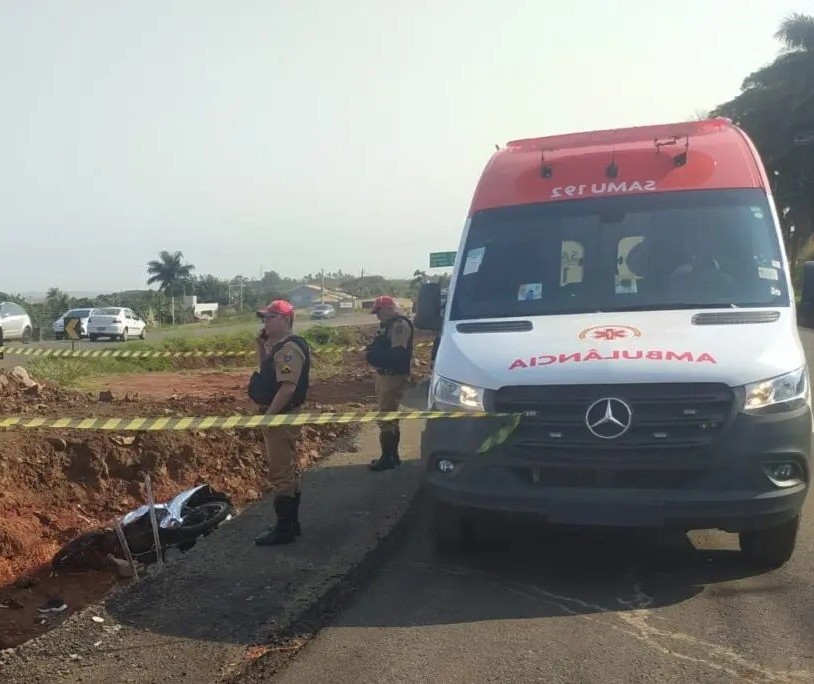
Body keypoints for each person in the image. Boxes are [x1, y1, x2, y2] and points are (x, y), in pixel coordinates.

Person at [248, 300, 311, 546]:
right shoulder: (279, 347)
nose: (265, 322)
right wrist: (261, 347)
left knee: (281, 472)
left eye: (270, 317)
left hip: (281, 416)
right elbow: (268, 373)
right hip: (281, 415)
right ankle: (291, 525)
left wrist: (269, 417)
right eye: (264, 318)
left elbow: (287, 387)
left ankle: (285, 529)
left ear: (285, 320)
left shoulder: (288, 350)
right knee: (287, 469)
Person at [364, 295, 414, 471]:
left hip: (393, 376)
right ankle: (392, 456)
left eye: (380, 311)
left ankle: (387, 458)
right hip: (386, 375)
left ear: (390, 309)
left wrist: (372, 356)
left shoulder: (399, 326)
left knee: (386, 417)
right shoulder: (388, 326)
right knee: (390, 417)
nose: (378, 316)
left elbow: (397, 354)